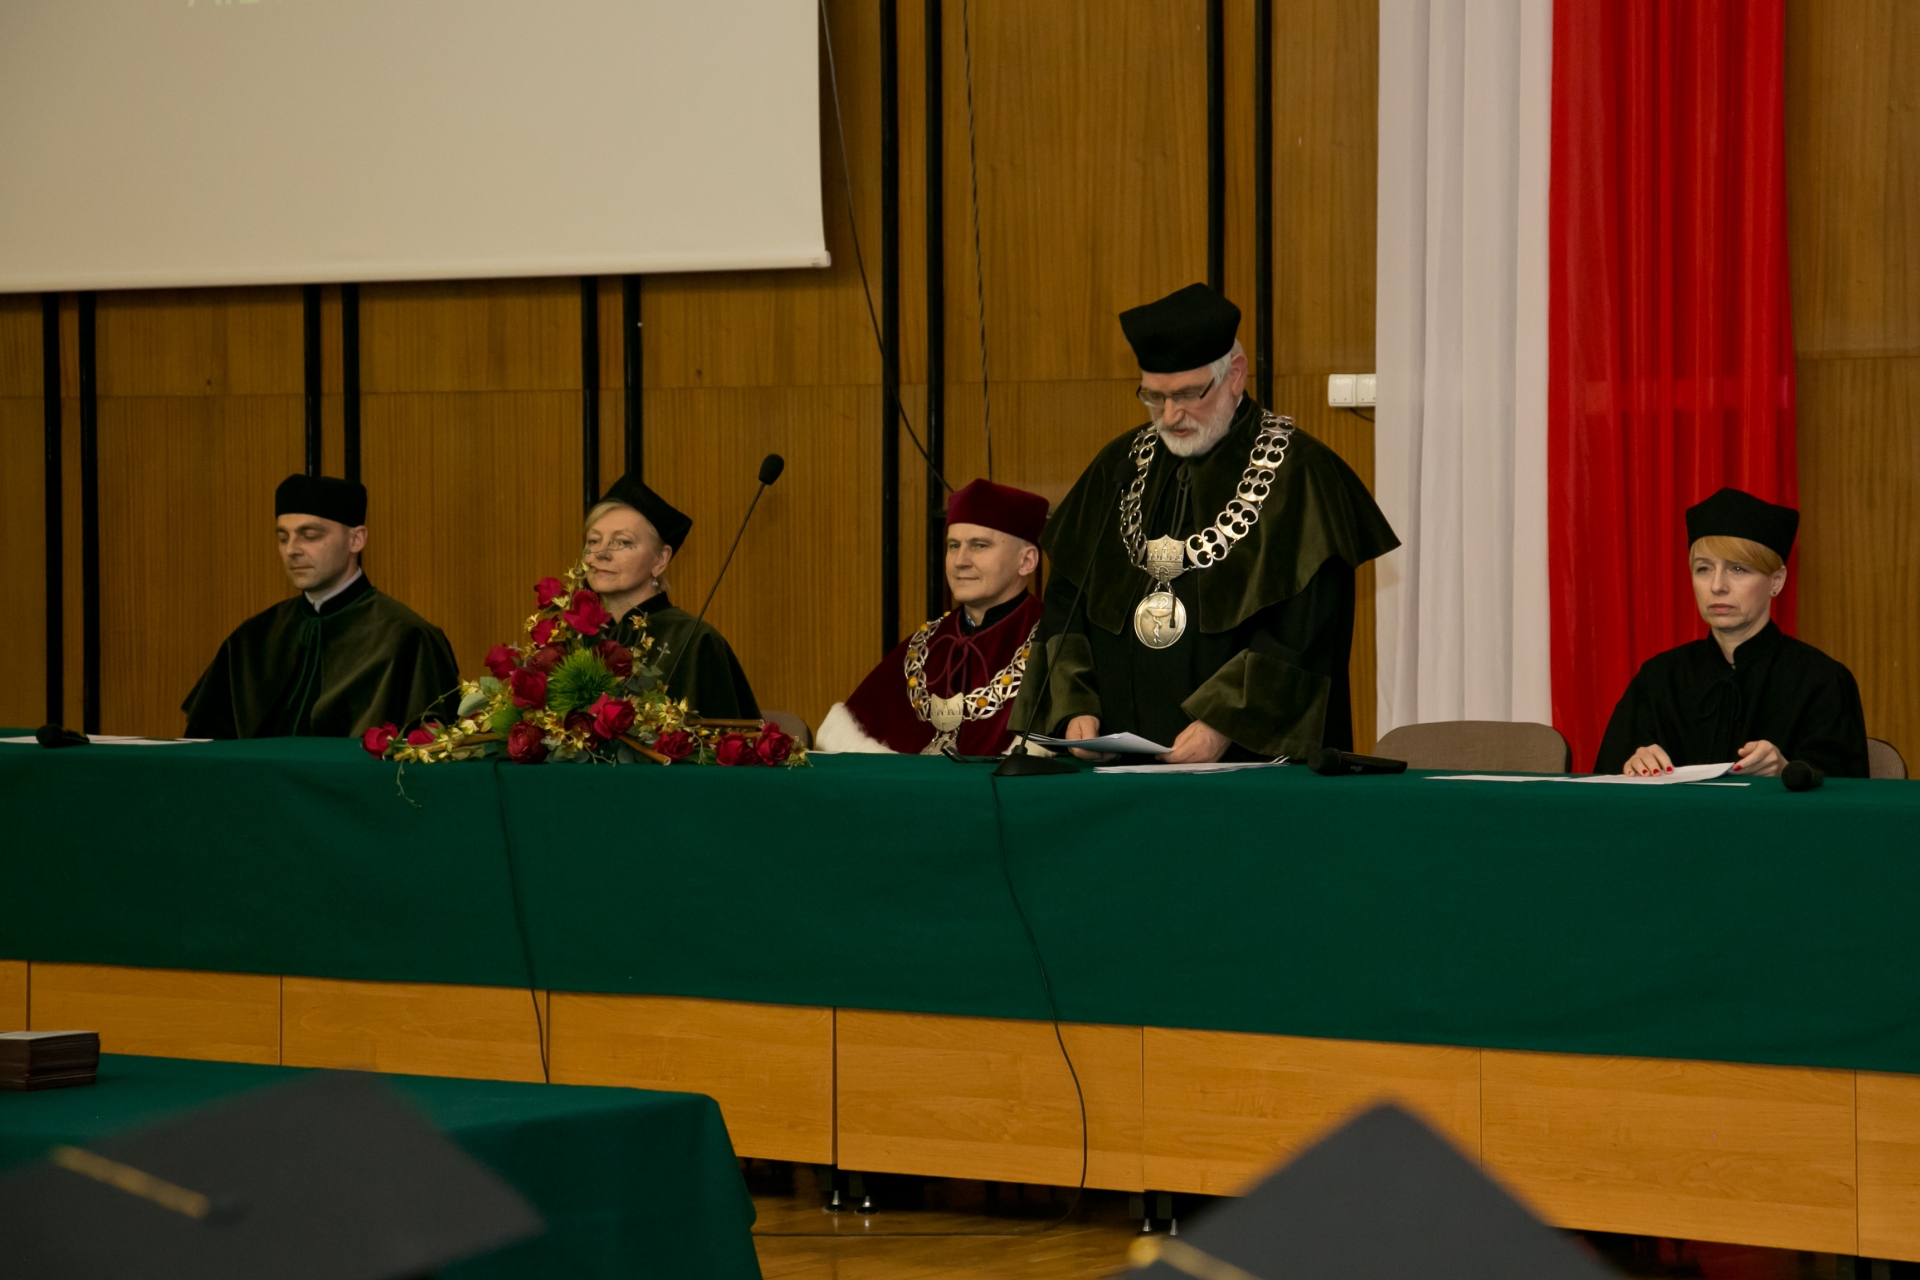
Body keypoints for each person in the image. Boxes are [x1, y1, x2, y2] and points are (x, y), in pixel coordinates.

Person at [1008, 282, 1400, 763]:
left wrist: (1224, 723)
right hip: (1112, 763)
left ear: (1235, 374)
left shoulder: (1302, 475)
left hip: (1245, 764)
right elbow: (1066, 603)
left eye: (1188, 394)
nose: (1170, 415)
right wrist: (1075, 708)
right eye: (1154, 397)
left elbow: (1305, 632)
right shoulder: (1120, 464)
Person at [1595, 487, 1868, 778]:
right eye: (1703, 569)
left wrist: (1785, 770)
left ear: (1776, 581)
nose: (1717, 586)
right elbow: (1603, 783)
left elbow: (1847, 793)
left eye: (1738, 569)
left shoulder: (1821, 681)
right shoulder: (1659, 679)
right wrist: (1632, 766)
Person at [182, 474, 459, 738]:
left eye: (310, 535)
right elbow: (203, 748)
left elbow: (433, 751)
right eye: (283, 537)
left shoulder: (408, 638)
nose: (291, 550)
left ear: (356, 539)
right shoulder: (252, 639)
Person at [817, 479, 1049, 755]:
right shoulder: (924, 643)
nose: (960, 561)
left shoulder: (1055, 643)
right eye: (953, 546)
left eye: (979, 545)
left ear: (1026, 561)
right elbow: (855, 731)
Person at [587, 474, 760, 720]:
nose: (601, 553)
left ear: (660, 559)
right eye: (593, 540)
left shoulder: (696, 641)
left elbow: (727, 736)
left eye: (623, 542)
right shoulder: (573, 638)